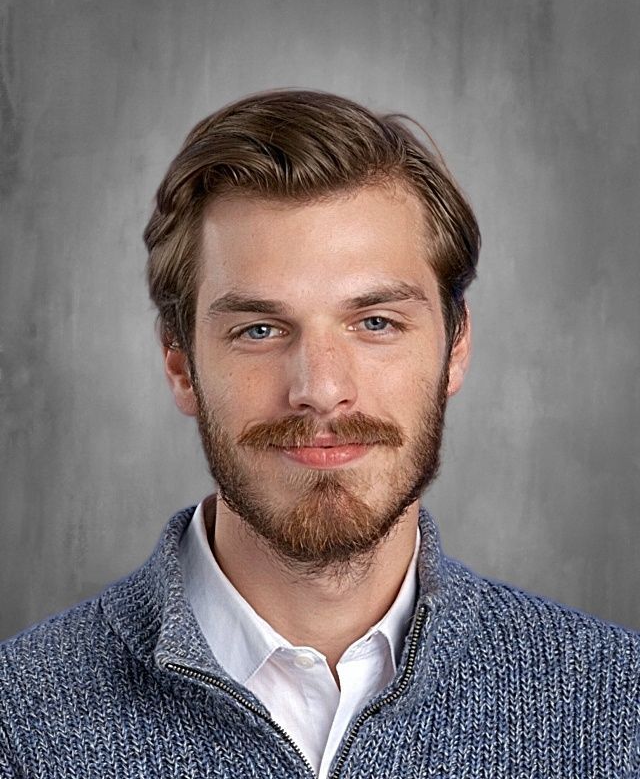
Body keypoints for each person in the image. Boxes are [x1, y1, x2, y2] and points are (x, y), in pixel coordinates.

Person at [1, 90, 638, 779]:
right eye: (259, 330)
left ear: (455, 347)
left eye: (376, 323)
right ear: (181, 365)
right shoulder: (18, 722)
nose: (322, 388)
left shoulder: (618, 703)